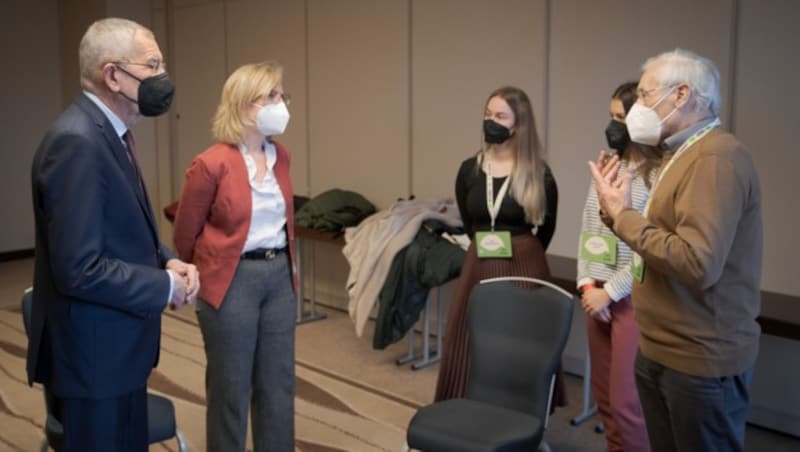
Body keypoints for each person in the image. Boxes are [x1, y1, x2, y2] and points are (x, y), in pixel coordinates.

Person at [27, 17, 198, 452]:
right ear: (113, 75)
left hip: (117, 353)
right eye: (153, 65)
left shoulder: (108, 134)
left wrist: (165, 260)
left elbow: (120, 229)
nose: (163, 78)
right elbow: (79, 268)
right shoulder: (78, 141)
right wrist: (163, 287)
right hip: (94, 360)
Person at [589, 49, 762, 452]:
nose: (637, 110)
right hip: (663, 347)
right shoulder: (678, 154)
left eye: (646, 96)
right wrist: (616, 213)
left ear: (682, 94)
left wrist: (625, 216)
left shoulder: (716, 157)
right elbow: (659, 237)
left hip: (698, 358)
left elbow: (697, 262)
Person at [173, 61, 297, 452]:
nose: (281, 104)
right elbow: (184, 233)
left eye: (282, 95)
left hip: (279, 277)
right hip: (231, 281)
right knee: (231, 387)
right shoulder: (211, 163)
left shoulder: (282, 156)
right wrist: (208, 271)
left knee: (278, 386)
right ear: (245, 106)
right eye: (273, 96)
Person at [435, 86, 561, 404]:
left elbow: (546, 227)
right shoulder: (470, 170)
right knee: (468, 337)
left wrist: (523, 251)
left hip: (523, 263)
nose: (491, 121)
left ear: (518, 125)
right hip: (480, 260)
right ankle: (469, 409)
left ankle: (517, 411)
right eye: (488, 114)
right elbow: (469, 218)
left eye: (500, 116)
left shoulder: (539, 174)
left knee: (518, 341)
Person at [577, 81, 660, 452]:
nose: (613, 126)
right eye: (610, 116)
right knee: (606, 402)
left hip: (631, 300)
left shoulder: (657, 176)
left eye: (621, 118)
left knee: (630, 407)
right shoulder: (610, 165)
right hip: (596, 297)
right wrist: (588, 285)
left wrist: (611, 292)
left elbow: (648, 248)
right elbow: (589, 229)